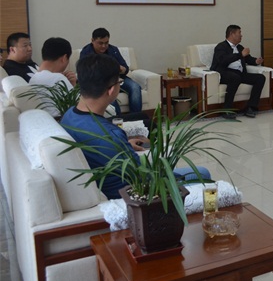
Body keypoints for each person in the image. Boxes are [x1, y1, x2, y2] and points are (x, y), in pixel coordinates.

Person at [60, 54, 211, 200]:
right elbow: (143, 177)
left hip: (107, 184)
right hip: (132, 195)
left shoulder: (69, 116)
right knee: (202, 173)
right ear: (111, 90)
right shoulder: (111, 135)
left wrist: (124, 146)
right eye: (119, 82)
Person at [80, 28, 142, 114]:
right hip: (99, 82)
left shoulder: (113, 50)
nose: (104, 46)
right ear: (92, 41)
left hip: (117, 78)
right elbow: (86, 73)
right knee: (109, 97)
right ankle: (118, 119)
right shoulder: (86, 53)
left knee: (135, 87)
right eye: (100, 43)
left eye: (106, 43)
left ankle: (135, 117)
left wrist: (122, 69)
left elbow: (125, 68)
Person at [210, 24, 266, 119]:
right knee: (235, 78)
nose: (241, 35)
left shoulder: (240, 47)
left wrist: (256, 61)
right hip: (224, 73)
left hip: (239, 73)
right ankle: (226, 110)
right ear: (232, 34)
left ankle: (250, 107)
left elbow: (248, 59)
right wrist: (240, 55)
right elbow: (223, 60)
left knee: (260, 78)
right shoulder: (221, 47)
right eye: (239, 33)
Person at [28, 37, 77, 117]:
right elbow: (80, 105)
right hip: (60, 121)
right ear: (64, 58)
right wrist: (74, 85)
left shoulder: (33, 78)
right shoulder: (58, 78)